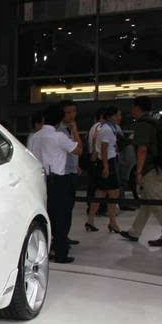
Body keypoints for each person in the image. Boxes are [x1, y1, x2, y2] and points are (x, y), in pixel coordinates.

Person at [120, 96, 162, 246]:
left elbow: (142, 150)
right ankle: (135, 232)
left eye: (133, 107)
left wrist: (138, 172)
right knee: (147, 202)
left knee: (157, 203)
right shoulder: (154, 122)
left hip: (151, 169)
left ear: (137, 108)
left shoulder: (143, 125)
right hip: (159, 166)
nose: (131, 110)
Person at [35, 103, 82, 263]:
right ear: (59, 119)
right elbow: (78, 150)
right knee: (61, 217)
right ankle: (61, 252)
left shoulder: (35, 137)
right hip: (58, 180)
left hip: (40, 180)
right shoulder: (58, 136)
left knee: (46, 215)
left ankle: (44, 250)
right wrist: (75, 131)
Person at [86, 106, 122, 233]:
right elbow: (104, 149)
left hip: (104, 162)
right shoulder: (107, 129)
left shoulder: (105, 127)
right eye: (118, 115)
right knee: (113, 193)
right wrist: (106, 166)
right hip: (108, 162)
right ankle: (112, 222)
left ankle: (91, 220)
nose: (120, 117)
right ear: (111, 116)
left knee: (101, 192)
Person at [58, 100, 82, 247]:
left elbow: (78, 149)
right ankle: (60, 238)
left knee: (69, 207)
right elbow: (78, 149)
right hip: (62, 173)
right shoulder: (58, 131)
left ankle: (65, 236)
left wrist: (76, 165)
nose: (71, 115)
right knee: (63, 209)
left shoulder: (72, 129)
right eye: (68, 112)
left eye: (73, 111)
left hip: (72, 170)